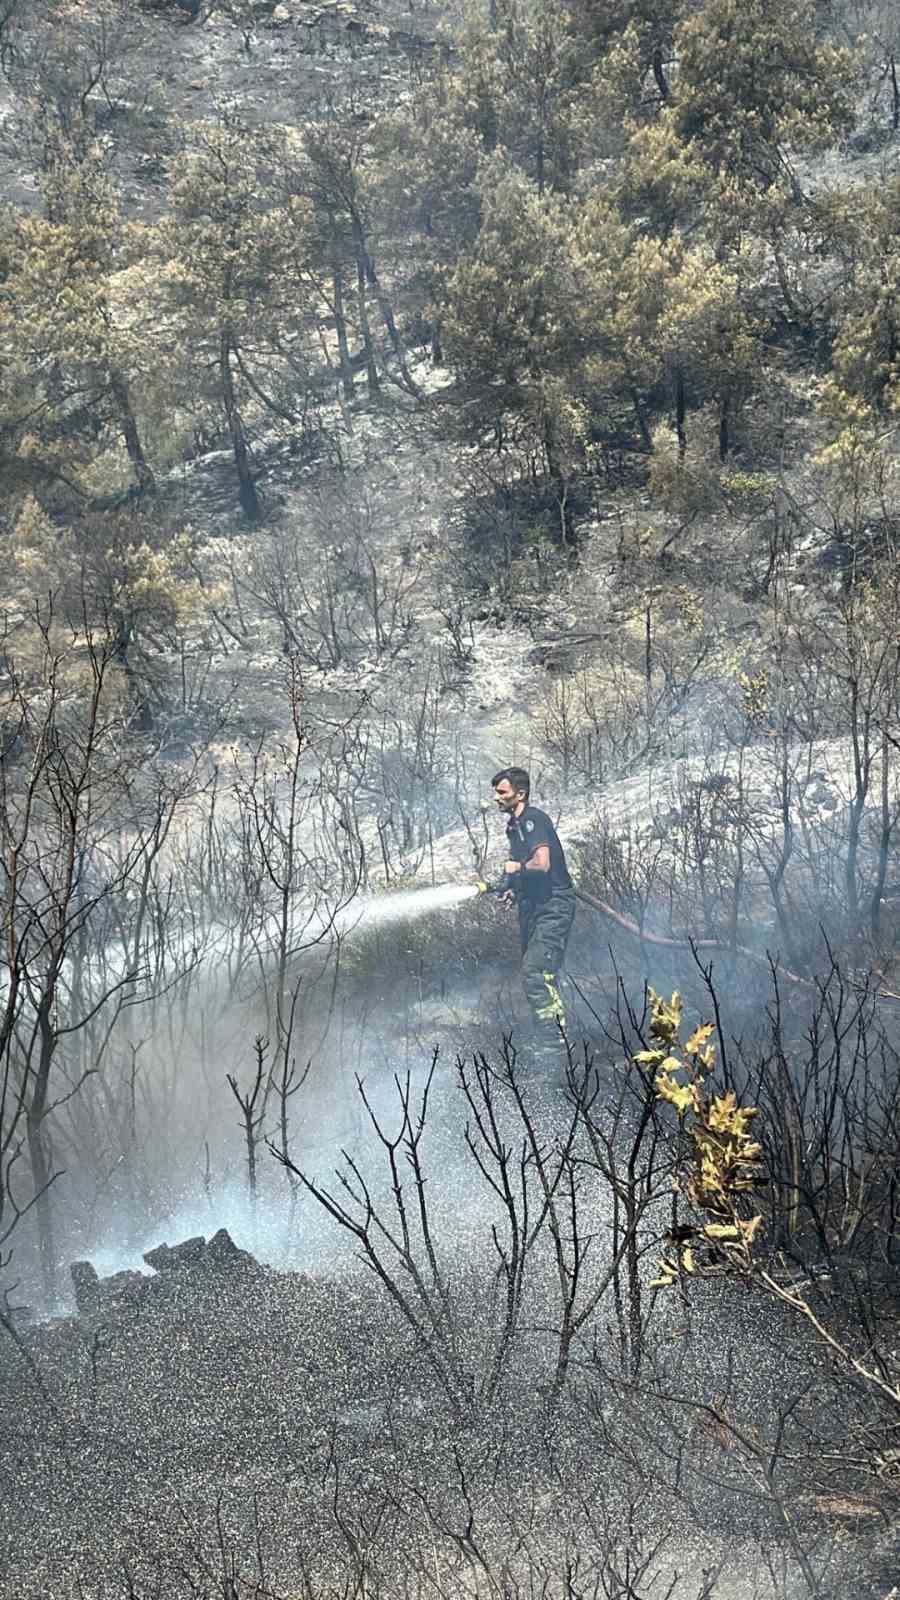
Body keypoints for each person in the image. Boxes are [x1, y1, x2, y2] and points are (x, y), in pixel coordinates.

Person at [491, 767, 575, 1049]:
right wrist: (515, 889)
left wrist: (516, 868)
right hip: (534, 906)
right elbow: (529, 872)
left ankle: (555, 1042)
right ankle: (555, 1035)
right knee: (541, 973)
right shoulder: (514, 826)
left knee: (536, 972)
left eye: (502, 792)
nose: (496, 798)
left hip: (553, 906)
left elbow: (542, 864)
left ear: (520, 794)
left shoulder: (533, 820)